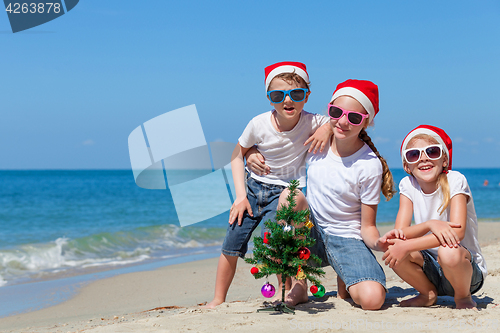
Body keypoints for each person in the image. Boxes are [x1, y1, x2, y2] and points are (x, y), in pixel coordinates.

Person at [247, 79, 402, 310]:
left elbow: (367, 226)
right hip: (310, 234)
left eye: (354, 118)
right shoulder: (314, 141)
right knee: (290, 196)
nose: (343, 121)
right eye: (336, 112)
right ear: (328, 110)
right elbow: (272, 141)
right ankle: (299, 284)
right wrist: (249, 153)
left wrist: (378, 243)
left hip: (347, 239)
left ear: (366, 121)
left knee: (372, 301)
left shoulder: (369, 165)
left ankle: (345, 279)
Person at [204, 61, 332, 309]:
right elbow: (235, 155)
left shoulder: (313, 121)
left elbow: (337, 123)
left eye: (296, 93)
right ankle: (218, 298)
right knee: (231, 243)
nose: (288, 100)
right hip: (253, 189)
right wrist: (240, 196)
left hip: (285, 194)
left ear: (307, 95)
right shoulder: (258, 123)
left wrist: (327, 129)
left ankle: (289, 291)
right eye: (278, 95)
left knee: (277, 243)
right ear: (269, 98)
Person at [382, 125, 487, 309]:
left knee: (448, 251)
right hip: (431, 271)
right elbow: (400, 233)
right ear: (407, 165)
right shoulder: (408, 184)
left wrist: (407, 245)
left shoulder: (455, 180)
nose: (423, 158)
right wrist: (430, 224)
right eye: (414, 154)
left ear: (444, 159)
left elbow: (458, 232)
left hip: (465, 273)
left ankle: (462, 298)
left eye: (432, 151)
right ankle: (427, 293)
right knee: (394, 246)